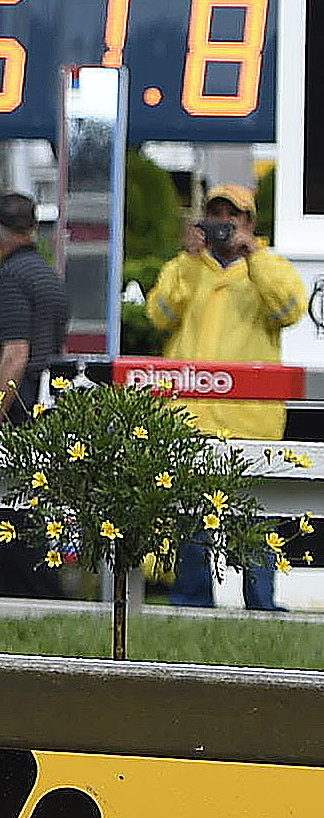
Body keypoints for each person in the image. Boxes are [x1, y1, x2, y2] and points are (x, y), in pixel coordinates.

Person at [150, 182, 304, 609]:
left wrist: (253, 254)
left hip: (249, 422)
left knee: (254, 519)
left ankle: (261, 605)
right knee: (191, 522)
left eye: (231, 216)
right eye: (215, 215)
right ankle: (190, 602)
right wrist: (188, 259)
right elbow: (159, 314)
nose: (222, 223)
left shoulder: (267, 267)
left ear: (249, 223)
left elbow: (290, 308)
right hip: (191, 420)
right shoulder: (188, 266)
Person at [0, 191, 71, 598]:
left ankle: (21, 598)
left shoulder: (11, 278)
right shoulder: (47, 276)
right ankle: (42, 595)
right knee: (32, 512)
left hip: (16, 416)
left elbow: (15, 353)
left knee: (7, 515)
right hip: (43, 411)